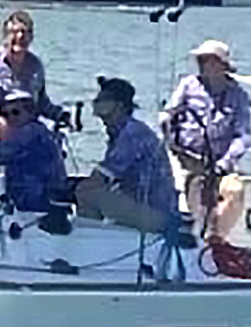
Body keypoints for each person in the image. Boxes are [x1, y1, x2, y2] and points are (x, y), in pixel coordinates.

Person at [162, 38, 251, 236]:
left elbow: (243, 136)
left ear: (221, 65)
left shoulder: (238, 95)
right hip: (188, 161)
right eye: (200, 60)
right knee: (196, 193)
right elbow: (169, 114)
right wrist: (174, 145)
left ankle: (216, 237)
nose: (201, 64)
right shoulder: (188, 85)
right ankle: (200, 233)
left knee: (235, 192)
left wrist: (224, 163)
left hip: (220, 164)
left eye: (207, 60)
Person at [74, 77, 179, 234]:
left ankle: (87, 239)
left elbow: (99, 179)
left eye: (103, 100)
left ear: (119, 105)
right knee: (92, 190)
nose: (97, 105)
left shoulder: (131, 134)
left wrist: (66, 189)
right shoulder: (123, 131)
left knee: (86, 192)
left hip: (156, 214)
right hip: (148, 206)